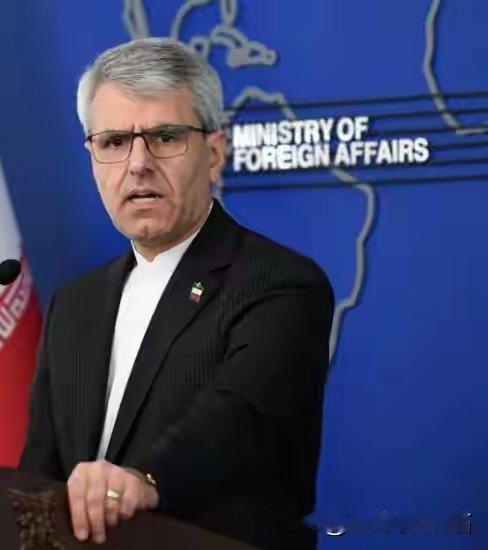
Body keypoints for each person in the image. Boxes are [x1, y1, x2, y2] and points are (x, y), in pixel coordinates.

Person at [18, 38, 334, 549]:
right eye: (114, 142)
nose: (137, 164)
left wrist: (144, 479)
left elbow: (238, 417)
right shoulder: (75, 304)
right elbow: (40, 470)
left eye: (165, 137)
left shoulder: (280, 284)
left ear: (214, 153)